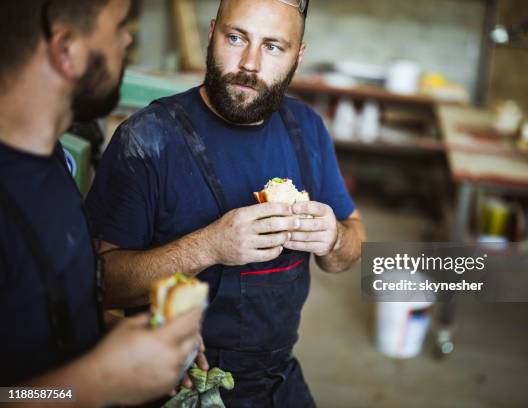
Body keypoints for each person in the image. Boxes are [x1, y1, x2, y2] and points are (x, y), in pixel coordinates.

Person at [85, 0, 367, 406]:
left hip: (277, 379)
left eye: (273, 47)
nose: (249, 63)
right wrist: (211, 246)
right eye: (236, 38)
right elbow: (100, 285)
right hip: (175, 381)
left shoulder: (307, 128)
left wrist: (335, 239)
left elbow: (351, 247)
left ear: (298, 56)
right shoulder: (147, 139)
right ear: (212, 32)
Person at [0, 1, 206, 406]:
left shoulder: (52, 162)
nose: (128, 39)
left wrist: (126, 340)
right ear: (66, 49)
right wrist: (99, 379)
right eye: (118, 26)